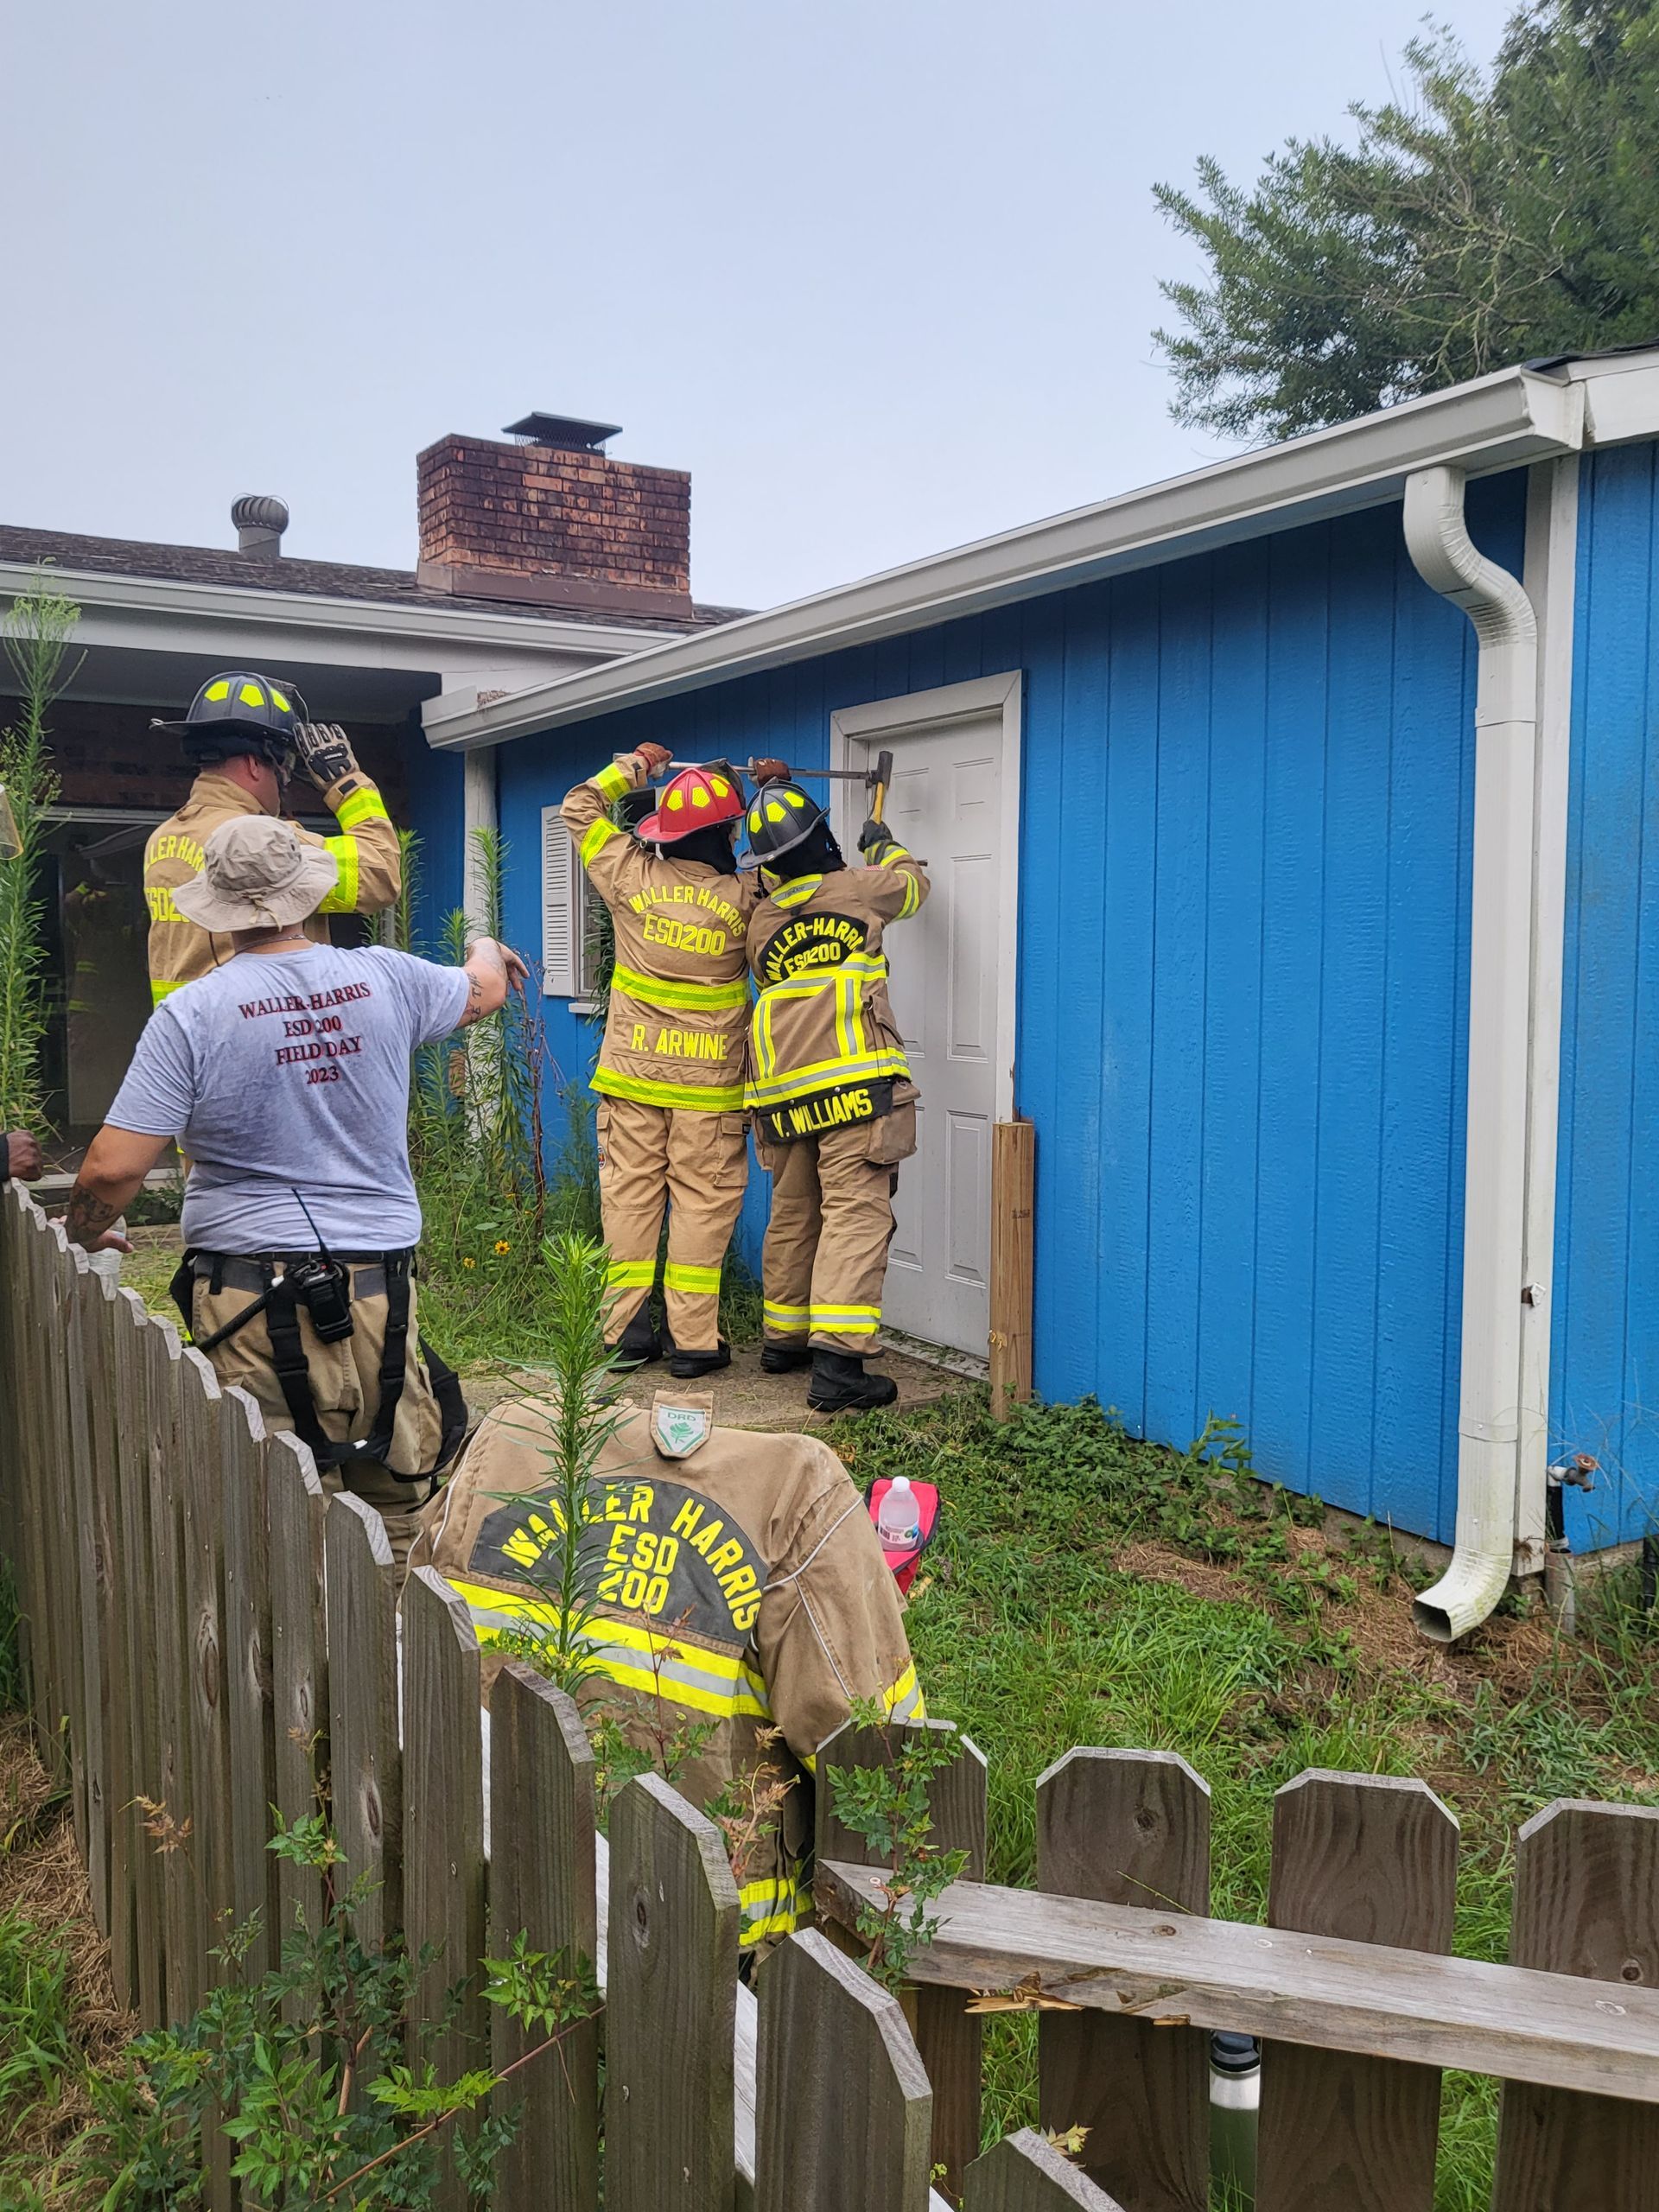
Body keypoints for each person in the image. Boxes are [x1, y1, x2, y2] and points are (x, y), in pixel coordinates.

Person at [65, 815, 525, 1565]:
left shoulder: (194, 1013)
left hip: (248, 1302)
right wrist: (484, 948)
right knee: (398, 1497)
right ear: (307, 892)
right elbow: (483, 991)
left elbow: (113, 1170)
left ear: (214, 909)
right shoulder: (388, 976)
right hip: (379, 1293)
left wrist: (82, 1233)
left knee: (274, 1519)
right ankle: (403, 1660)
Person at [413, 1382, 923, 1958]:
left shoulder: (503, 1444)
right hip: (705, 1949)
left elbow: (416, 1645)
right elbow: (871, 1746)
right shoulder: (798, 1492)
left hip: (493, 1903)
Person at [562, 744, 788, 1376]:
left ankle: (626, 1334)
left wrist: (634, 766)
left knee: (630, 1200)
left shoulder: (630, 874)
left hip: (633, 1078)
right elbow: (796, 866)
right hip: (710, 1090)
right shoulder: (748, 894)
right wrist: (774, 794)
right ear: (729, 831)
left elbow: (580, 807)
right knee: (701, 1207)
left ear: (668, 832)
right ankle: (694, 1343)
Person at [743, 782, 929, 1414]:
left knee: (795, 1212)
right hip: (855, 1089)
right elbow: (913, 888)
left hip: (785, 1097)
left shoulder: (761, 920)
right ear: (822, 836)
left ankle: (785, 1340)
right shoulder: (858, 886)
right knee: (855, 1216)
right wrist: (886, 845)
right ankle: (840, 1367)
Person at [145, 671, 401, 1007]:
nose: (286, 779)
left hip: (191, 1039)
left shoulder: (162, 840)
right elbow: (380, 874)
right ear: (254, 764)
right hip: (268, 1040)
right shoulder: (263, 846)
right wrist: (349, 784)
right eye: (285, 765)